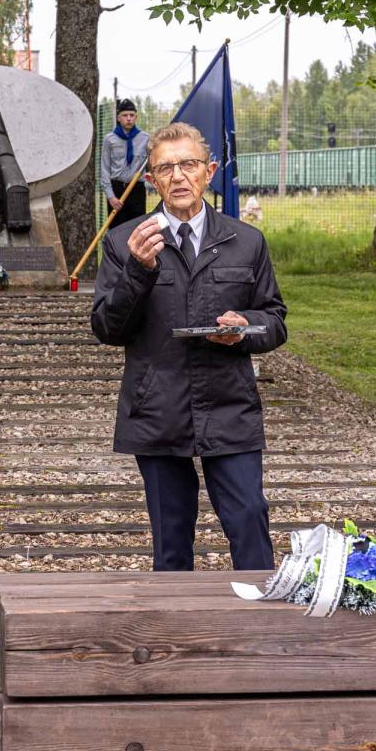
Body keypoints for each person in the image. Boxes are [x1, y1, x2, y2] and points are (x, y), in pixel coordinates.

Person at [91, 121, 288, 572]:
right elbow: (107, 327)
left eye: (189, 165)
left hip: (229, 405)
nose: (178, 176)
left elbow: (275, 320)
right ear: (151, 179)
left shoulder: (246, 241)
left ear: (209, 171)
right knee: (171, 539)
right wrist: (138, 269)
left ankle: (259, 612)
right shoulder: (125, 242)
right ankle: (175, 618)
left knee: (249, 518)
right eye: (166, 168)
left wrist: (246, 327)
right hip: (157, 407)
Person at [101, 98, 149, 224]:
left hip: (137, 190)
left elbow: (150, 166)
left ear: (136, 117)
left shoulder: (145, 138)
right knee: (116, 229)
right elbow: (105, 169)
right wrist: (110, 196)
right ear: (118, 118)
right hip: (117, 190)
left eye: (132, 115)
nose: (129, 118)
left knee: (137, 228)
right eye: (125, 115)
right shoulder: (109, 139)